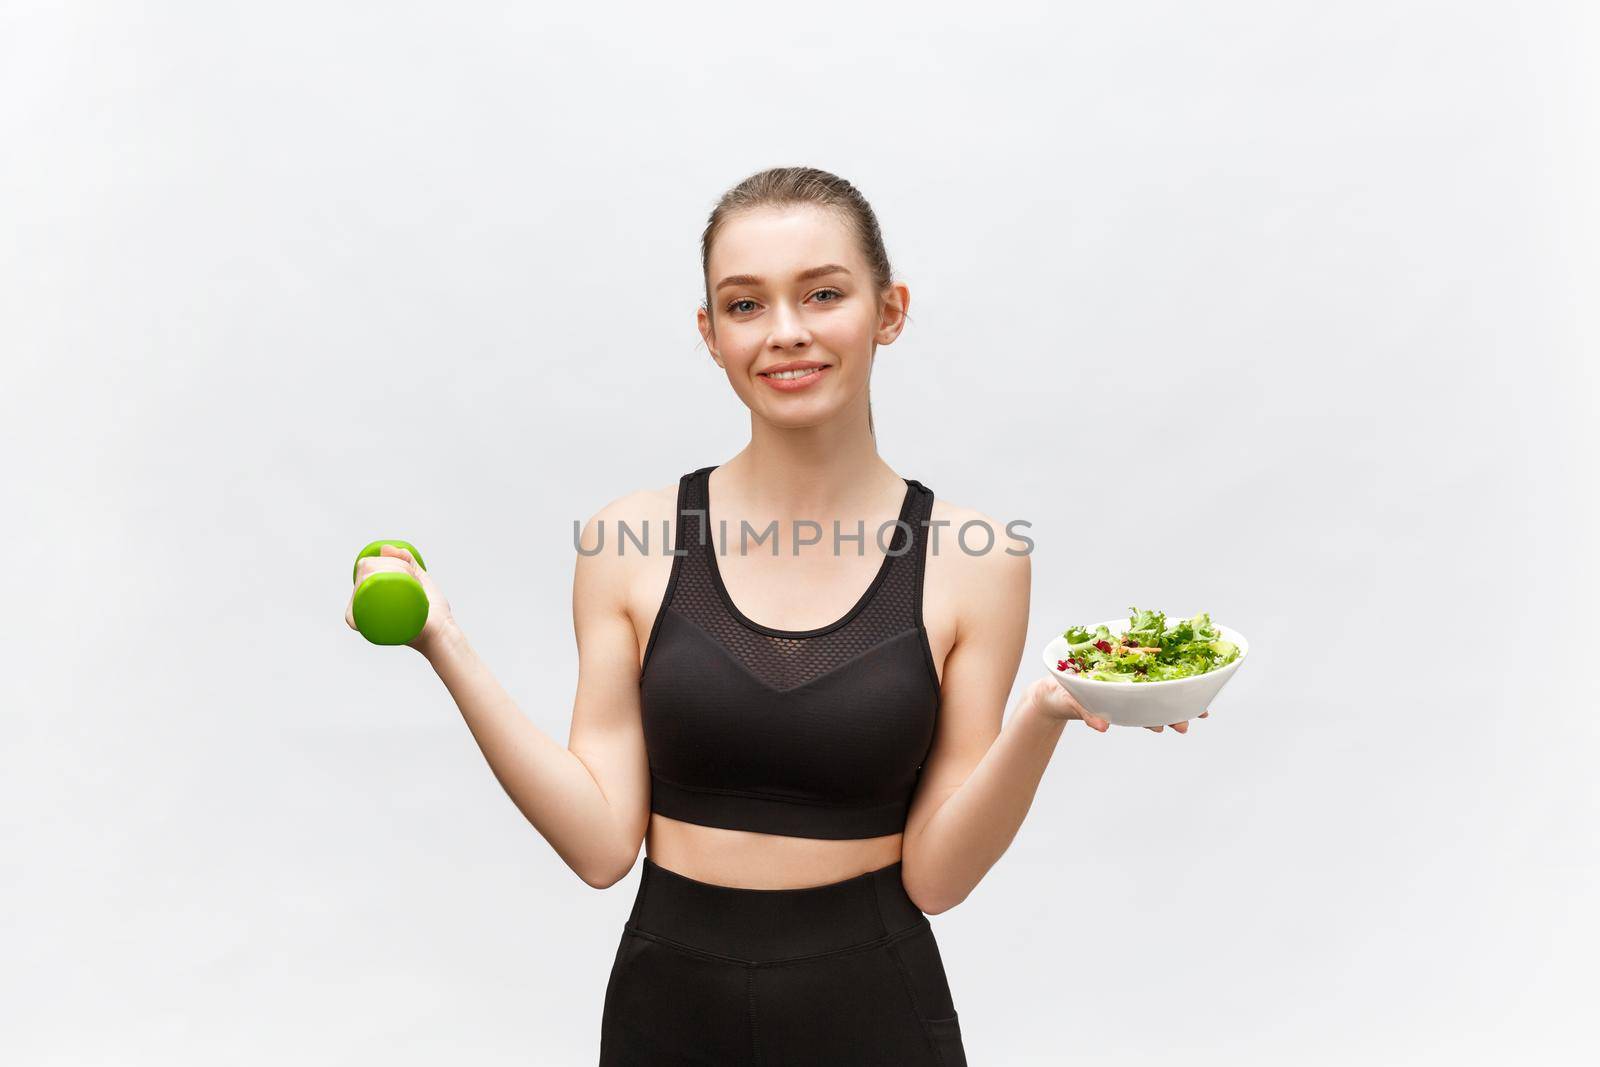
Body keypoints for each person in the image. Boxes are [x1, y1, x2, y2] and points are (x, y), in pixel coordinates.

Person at [345, 166, 1204, 1065]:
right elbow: (600, 843)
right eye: (746, 306)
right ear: (710, 335)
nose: (786, 332)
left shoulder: (978, 556)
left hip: (876, 1009)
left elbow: (938, 877)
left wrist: (1045, 714)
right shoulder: (627, 540)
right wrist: (444, 641)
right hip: (667, 1011)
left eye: (823, 293)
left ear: (890, 311)